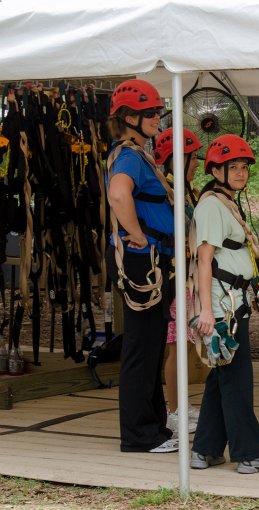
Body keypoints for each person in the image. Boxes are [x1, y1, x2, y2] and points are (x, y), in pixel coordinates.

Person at [190, 134, 259, 474]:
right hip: (224, 307)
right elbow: (204, 258)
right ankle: (250, 453)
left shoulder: (227, 203)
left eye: (243, 167)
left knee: (222, 376)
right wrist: (207, 311)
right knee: (238, 379)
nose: (241, 173)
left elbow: (248, 255)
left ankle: (206, 450)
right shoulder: (211, 206)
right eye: (233, 167)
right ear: (216, 170)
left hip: (234, 301)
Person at [105, 79, 177, 453]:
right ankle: (139, 435)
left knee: (151, 343)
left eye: (157, 112)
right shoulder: (129, 156)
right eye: (149, 113)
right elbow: (118, 193)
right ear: (128, 117)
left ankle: (155, 428)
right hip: (143, 258)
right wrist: (136, 235)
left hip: (151, 258)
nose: (156, 118)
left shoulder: (136, 151)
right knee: (141, 346)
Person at [153, 127, 204, 434]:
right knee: (175, 345)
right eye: (193, 157)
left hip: (189, 276)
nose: (197, 163)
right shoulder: (168, 190)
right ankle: (172, 410)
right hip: (176, 277)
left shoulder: (186, 189)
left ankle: (179, 404)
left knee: (182, 344)